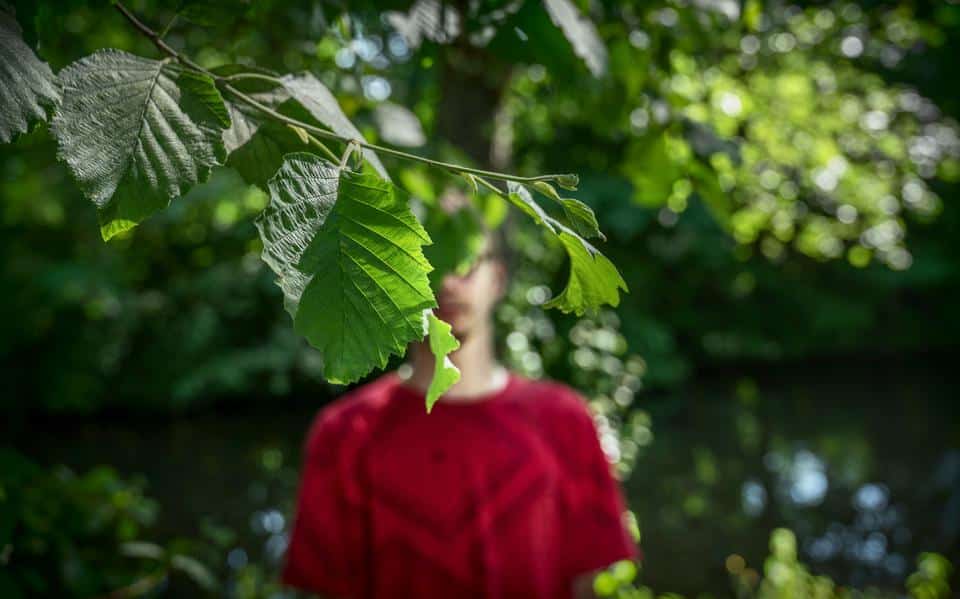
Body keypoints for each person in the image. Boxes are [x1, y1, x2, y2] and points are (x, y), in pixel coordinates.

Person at [280, 218, 639, 598]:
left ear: (497, 279)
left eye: (465, 259)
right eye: (430, 261)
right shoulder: (346, 431)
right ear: (397, 280)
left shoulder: (565, 419)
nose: (448, 281)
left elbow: (587, 581)